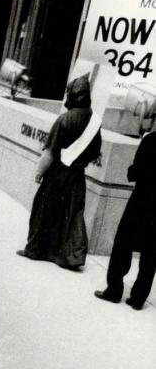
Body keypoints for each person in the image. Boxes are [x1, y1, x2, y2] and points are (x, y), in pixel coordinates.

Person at [17, 74, 101, 271]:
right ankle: (72, 257)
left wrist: (39, 172)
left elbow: (50, 152)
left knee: (44, 210)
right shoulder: (95, 121)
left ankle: (35, 251)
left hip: (57, 173)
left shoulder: (64, 119)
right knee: (74, 214)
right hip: (77, 175)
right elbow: (95, 151)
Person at [94, 128, 156, 311]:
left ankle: (114, 290)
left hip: (141, 202)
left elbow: (135, 172)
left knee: (123, 244)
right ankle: (138, 299)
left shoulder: (151, 140)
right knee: (151, 254)